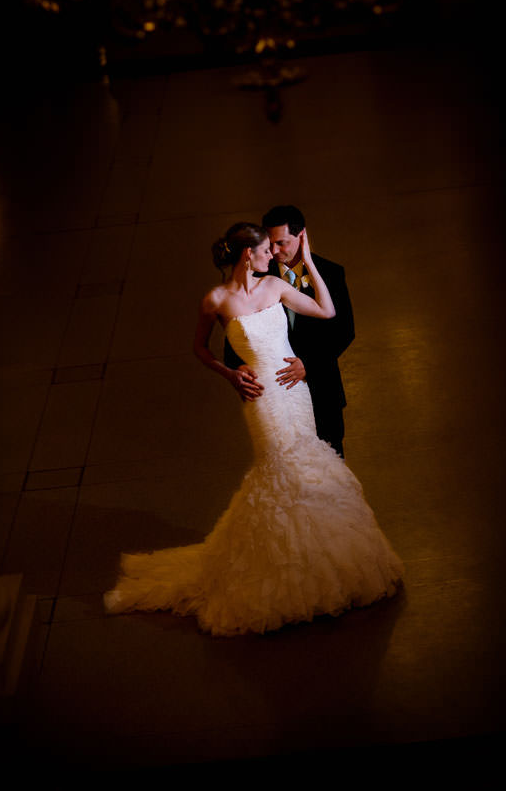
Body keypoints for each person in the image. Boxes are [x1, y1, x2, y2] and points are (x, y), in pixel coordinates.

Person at [103, 222, 403, 637]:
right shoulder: (216, 299)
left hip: (295, 392)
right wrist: (229, 374)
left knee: (309, 466)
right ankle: (285, 571)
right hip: (261, 399)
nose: (272, 256)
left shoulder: (276, 286)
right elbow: (199, 348)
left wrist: (309, 262)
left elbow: (327, 310)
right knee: (279, 472)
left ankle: (320, 564)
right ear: (248, 255)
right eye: (265, 251)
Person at [225, 204, 354, 457]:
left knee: (331, 464)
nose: (274, 251)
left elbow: (344, 331)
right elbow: (236, 329)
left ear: (302, 236)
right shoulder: (257, 276)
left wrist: (308, 364)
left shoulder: (331, 273)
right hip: (277, 398)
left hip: (321, 390)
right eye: (269, 244)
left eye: (282, 243)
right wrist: (237, 366)